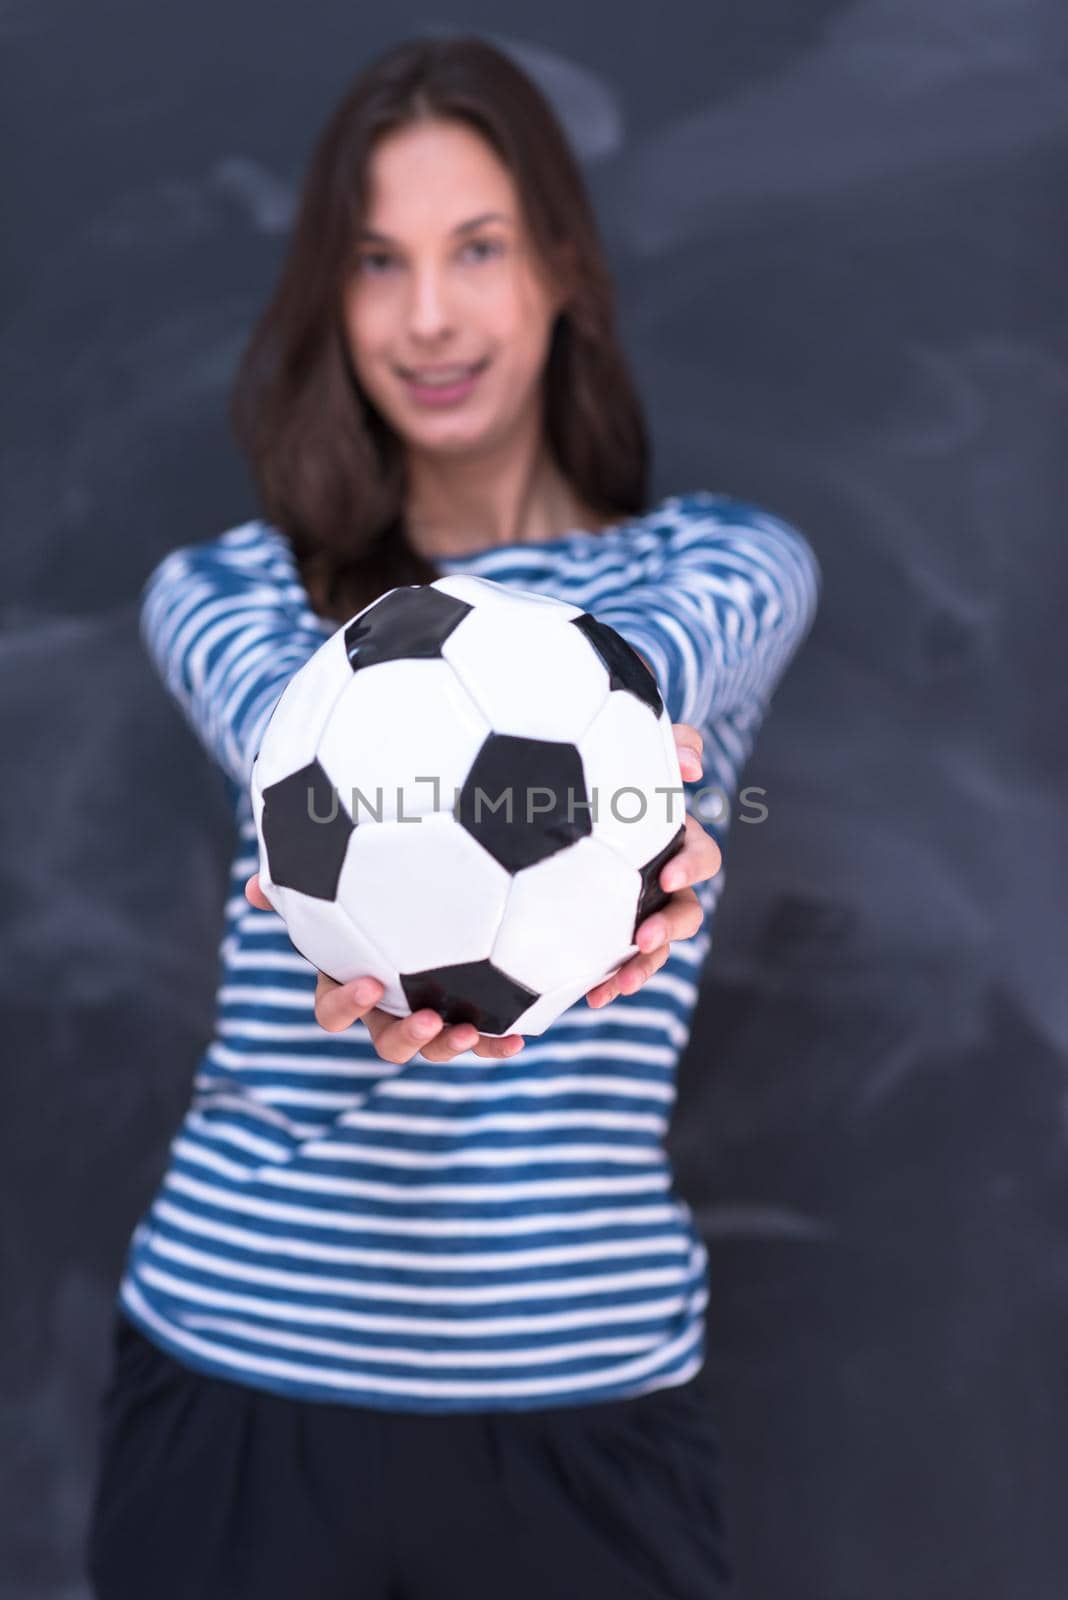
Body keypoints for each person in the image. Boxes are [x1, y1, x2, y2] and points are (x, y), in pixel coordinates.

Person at [86, 33, 821, 1600]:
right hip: (238, 1376)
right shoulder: (231, 591)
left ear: (562, 266)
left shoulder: (720, 572)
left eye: (476, 248)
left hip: (584, 1413)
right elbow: (291, 729)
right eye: (376, 262)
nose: (428, 315)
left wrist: (633, 797)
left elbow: (653, 678)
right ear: (328, 300)